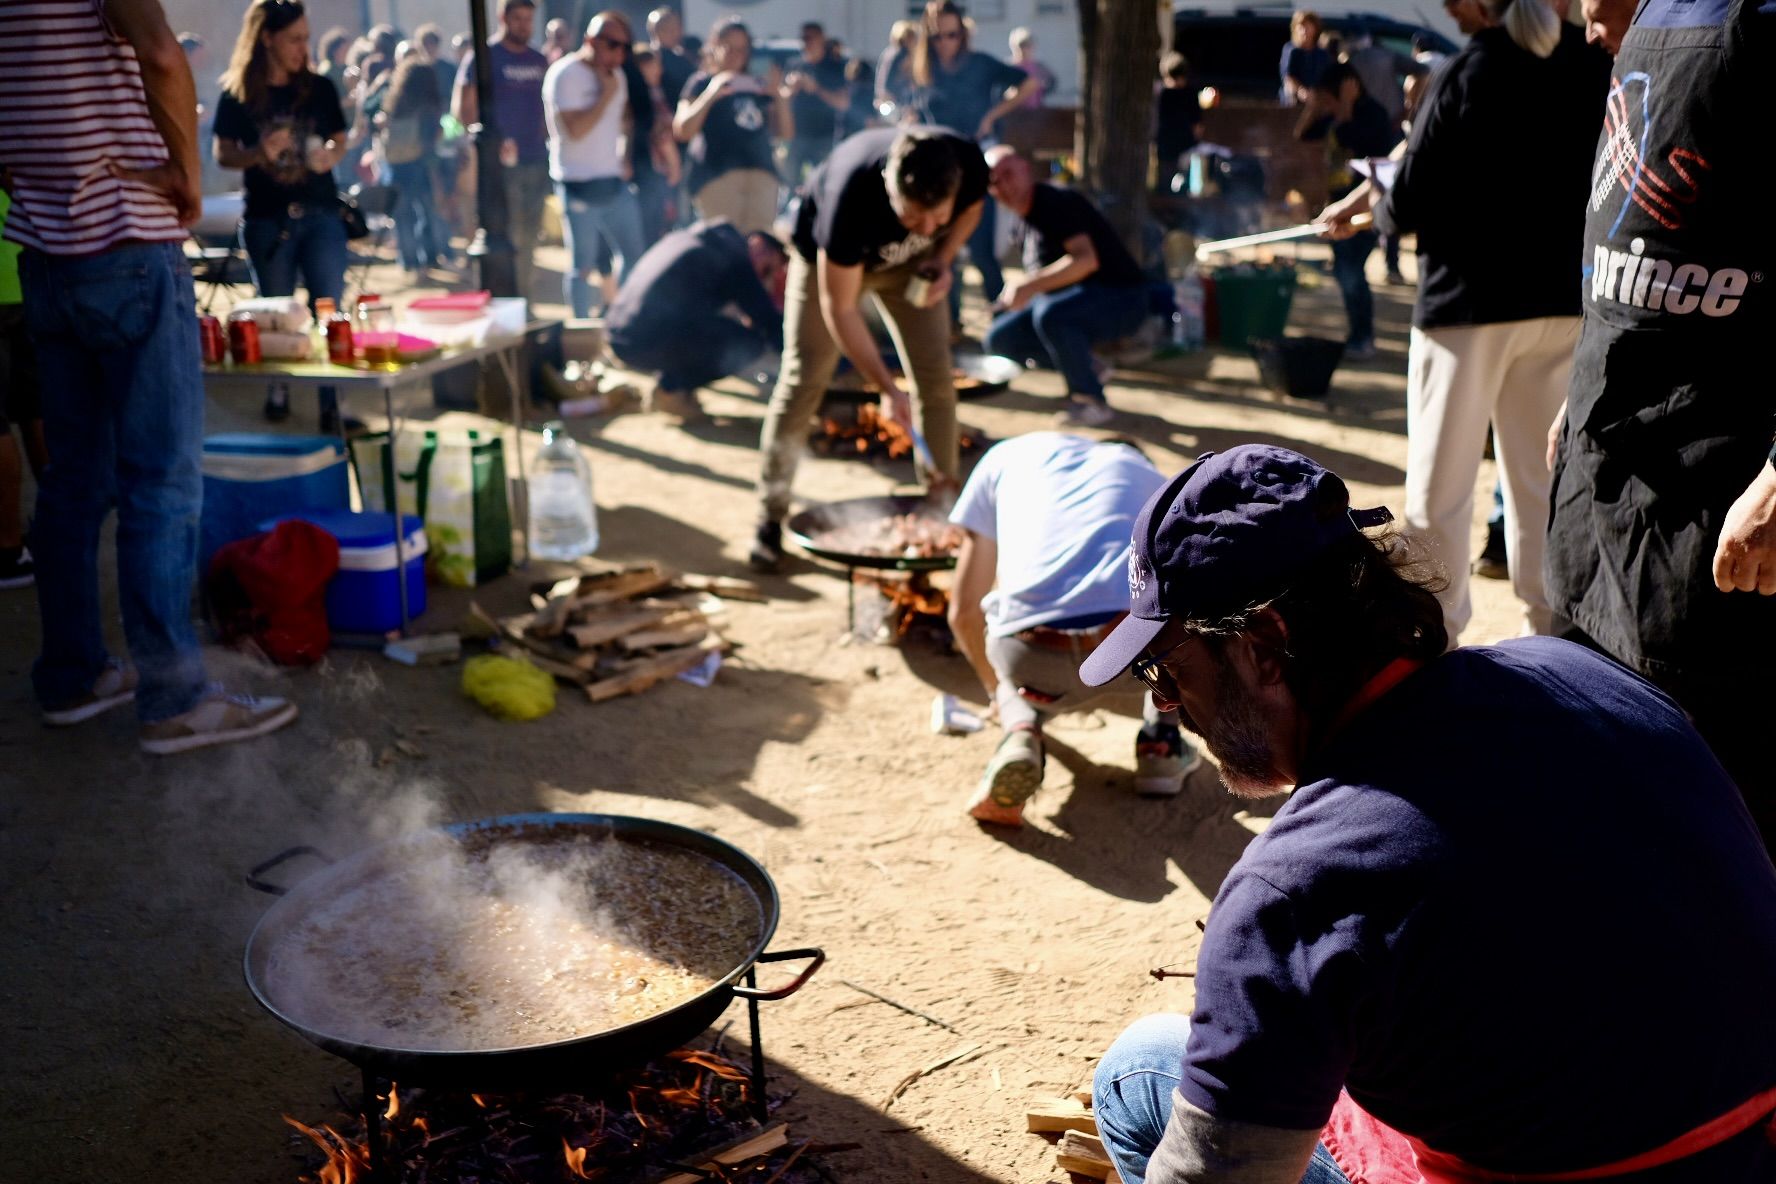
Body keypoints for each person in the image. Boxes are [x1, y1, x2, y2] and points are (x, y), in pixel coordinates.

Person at [1074, 445, 1776, 1184]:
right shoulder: (1579, 674)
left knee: (1140, 1069)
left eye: (1166, 668)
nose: (1163, 703)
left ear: (1264, 649)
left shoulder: (1292, 891)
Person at [0, 0, 299, 752]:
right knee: (160, 481)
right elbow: (163, 56)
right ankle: (175, 697)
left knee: (72, 480)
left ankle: (74, 675)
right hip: (129, 239)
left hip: (45, 254)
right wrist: (187, 176)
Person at [1547, 0, 1776, 847]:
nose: (1578, 18)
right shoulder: (1648, 26)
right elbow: (1628, 245)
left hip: (1717, 528)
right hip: (1609, 506)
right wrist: (1585, 381)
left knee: (1734, 829)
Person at [1317, 0, 1609, 642]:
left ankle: (1438, 641)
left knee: (1437, 492)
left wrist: (1378, 208)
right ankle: (1552, 642)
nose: (1446, 7)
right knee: (1540, 486)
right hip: (1560, 301)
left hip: (1465, 311)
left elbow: (1410, 200)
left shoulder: (1465, 71)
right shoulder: (1591, 62)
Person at [749, 126, 987, 572]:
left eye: (938, 219)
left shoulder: (964, 161)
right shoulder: (849, 196)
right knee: (805, 378)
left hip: (910, 265)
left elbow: (972, 208)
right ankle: (770, 513)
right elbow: (840, 308)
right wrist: (885, 388)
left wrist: (943, 254)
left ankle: (941, 505)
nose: (928, 227)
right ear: (889, 188)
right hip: (829, 268)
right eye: (915, 218)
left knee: (936, 377)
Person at [949, 434, 1200, 826]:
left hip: (1032, 659)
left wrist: (997, 689)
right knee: (1165, 621)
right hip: (1130, 661)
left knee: (1005, 643)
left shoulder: (1008, 455)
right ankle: (1161, 746)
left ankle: (1020, 731)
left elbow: (963, 612)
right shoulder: (1159, 482)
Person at [213, 0, 351, 431]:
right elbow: (222, 154)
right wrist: (258, 153)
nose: (302, 48)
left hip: (322, 213)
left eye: (306, 38)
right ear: (267, 38)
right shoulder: (238, 92)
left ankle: (332, 401)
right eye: (294, 39)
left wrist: (331, 155)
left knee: (329, 309)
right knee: (275, 314)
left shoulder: (320, 87)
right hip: (267, 221)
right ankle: (279, 391)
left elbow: (340, 137)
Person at [982, 148, 1148, 427]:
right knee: (1000, 338)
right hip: (1073, 301)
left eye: (1008, 174)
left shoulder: (1054, 202)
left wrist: (1028, 286)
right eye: (994, 181)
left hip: (1122, 298)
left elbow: (1086, 261)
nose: (1003, 185)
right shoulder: (1020, 222)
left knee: (1052, 315)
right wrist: (1017, 296)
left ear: (1026, 169)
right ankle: (1090, 366)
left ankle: (1090, 399)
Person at [910, 0, 1033, 317]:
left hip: (974, 163)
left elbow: (1029, 83)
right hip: (938, 167)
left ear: (962, 34)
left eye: (951, 35)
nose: (945, 43)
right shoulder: (924, 68)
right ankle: (949, 323)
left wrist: (992, 115)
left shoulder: (980, 63)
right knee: (942, 248)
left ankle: (1003, 317)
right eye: (937, 37)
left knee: (980, 248)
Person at [607, 220, 786, 422]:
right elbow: (768, 322)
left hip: (618, 332)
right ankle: (671, 390)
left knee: (720, 332)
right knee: (748, 345)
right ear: (759, 245)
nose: (764, 279)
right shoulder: (733, 257)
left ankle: (670, 387)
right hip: (643, 340)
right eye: (768, 270)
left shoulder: (691, 238)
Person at [543, 10, 645, 318]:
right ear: (590, 40)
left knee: (634, 255)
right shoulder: (565, 74)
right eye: (612, 44)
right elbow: (574, 131)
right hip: (577, 183)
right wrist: (604, 95)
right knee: (582, 265)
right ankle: (581, 333)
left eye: (624, 46)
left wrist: (625, 156)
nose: (619, 53)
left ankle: (621, 320)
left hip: (612, 180)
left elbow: (625, 121)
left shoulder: (618, 77)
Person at [1294, 63, 1398, 359]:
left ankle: (1363, 338)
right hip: (1338, 204)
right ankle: (1357, 334)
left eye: (1329, 95)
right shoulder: (1332, 111)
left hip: (1363, 208)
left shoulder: (1371, 114)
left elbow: (1356, 142)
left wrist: (1346, 108)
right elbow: (1302, 134)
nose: (1326, 102)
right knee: (1344, 271)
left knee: (1352, 271)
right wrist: (1313, 107)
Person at [454, 0, 551, 303]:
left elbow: (548, 109)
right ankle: (505, 300)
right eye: (518, 18)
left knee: (530, 235)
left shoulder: (538, 60)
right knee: (506, 236)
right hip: (498, 166)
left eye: (528, 19)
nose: (524, 25)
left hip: (535, 159)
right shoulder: (484, 57)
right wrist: (491, 139)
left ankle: (525, 300)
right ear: (503, 17)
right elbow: (462, 110)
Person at [672, 18, 785, 236]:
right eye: (728, 47)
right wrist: (712, 92)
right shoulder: (701, 82)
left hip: (762, 174)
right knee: (725, 248)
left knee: (760, 249)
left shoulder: (758, 84)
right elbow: (682, 130)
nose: (736, 55)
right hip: (717, 175)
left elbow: (786, 132)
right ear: (713, 46)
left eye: (742, 49)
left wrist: (777, 94)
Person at [0, 191, 47, 590]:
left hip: (16, 274)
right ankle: (58, 534)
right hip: (26, 270)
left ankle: (8, 550)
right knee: (35, 409)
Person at [377, 43, 447, 279]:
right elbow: (430, 143)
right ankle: (428, 258)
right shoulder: (427, 108)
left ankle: (409, 262)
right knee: (426, 213)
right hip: (419, 167)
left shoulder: (396, 103)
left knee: (403, 217)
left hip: (395, 166)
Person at [784, 22, 851, 187]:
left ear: (822, 39)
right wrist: (791, 89)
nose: (806, 42)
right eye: (803, 38)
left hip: (824, 137)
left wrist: (816, 88)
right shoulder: (794, 65)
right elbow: (781, 98)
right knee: (789, 184)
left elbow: (843, 103)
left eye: (810, 38)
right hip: (796, 135)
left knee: (824, 184)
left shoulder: (835, 66)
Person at [631, 48, 683, 247]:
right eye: (654, 65)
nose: (659, 71)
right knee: (653, 230)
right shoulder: (646, 97)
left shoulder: (654, 92)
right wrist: (674, 165)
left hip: (654, 171)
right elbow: (663, 135)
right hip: (652, 172)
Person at [1154, 52, 1202, 193]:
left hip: (1173, 142)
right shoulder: (1187, 93)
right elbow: (1197, 122)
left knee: (1170, 177)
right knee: (1176, 177)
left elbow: (1196, 121)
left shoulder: (1162, 93)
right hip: (1177, 142)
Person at [1279, 10, 1332, 104]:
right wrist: (1301, 91)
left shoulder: (1321, 53)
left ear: (1315, 29)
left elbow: (1326, 76)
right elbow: (1288, 77)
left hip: (1316, 95)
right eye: (1301, 27)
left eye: (1308, 27)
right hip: (1295, 96)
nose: (1304, 31)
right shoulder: (1291, 50)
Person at [875, 19, 919, 117]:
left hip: (896, 102)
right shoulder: (898, 54)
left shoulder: (889, 53)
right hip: (896, 103)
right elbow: (887, 81)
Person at [1008, 28, 1053, 108]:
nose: (1024, 50)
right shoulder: (1009, 67)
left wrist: (1041, 87)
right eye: (1021, 46)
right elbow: (1001, 91)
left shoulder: (1039, 66)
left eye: (1027, 46)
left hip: (1036, 110)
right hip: (1015, 110)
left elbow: (1051, 83)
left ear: (1033, 47)